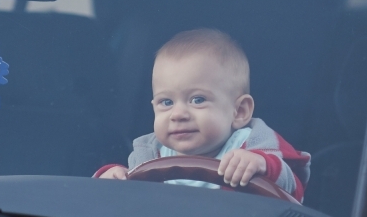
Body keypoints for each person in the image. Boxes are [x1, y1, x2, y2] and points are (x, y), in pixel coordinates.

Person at [95, 29, 310, 202]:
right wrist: (113, 177)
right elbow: (123, 213)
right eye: (166, 102)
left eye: (198, 100)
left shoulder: (256, 144)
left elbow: (295, 193)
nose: (178, 114)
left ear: (240, 111)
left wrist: (263, 165)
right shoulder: (149, 154)